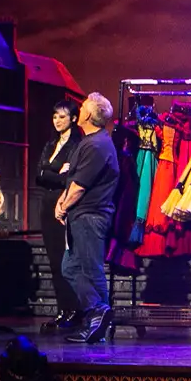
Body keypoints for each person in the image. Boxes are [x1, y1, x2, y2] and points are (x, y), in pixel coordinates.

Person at [54, 92, 120, 343]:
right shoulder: (88, 142)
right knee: (70, 267)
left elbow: (81, 185)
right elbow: (72, 178)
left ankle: (98, 320)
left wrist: (63, 206)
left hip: (91, 216)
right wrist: (63, 202)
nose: (79, 109)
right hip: (80, 215)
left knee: (90, 270)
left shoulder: (97, 145)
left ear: (90, 115)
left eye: (83, 107)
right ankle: (98, 313)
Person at [34, 99, 84, 332]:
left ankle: (75, 309)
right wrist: (54, 171)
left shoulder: (77, 144)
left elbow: (69, 178)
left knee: (66, 259)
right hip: (46, 203)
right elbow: (39, 174)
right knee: (54, 261)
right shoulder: (50, 143)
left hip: (64, 204)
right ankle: (62, 309)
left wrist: (50, 172)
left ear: (73, 118)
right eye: (55, 116)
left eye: (62, 117)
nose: (57, 121)